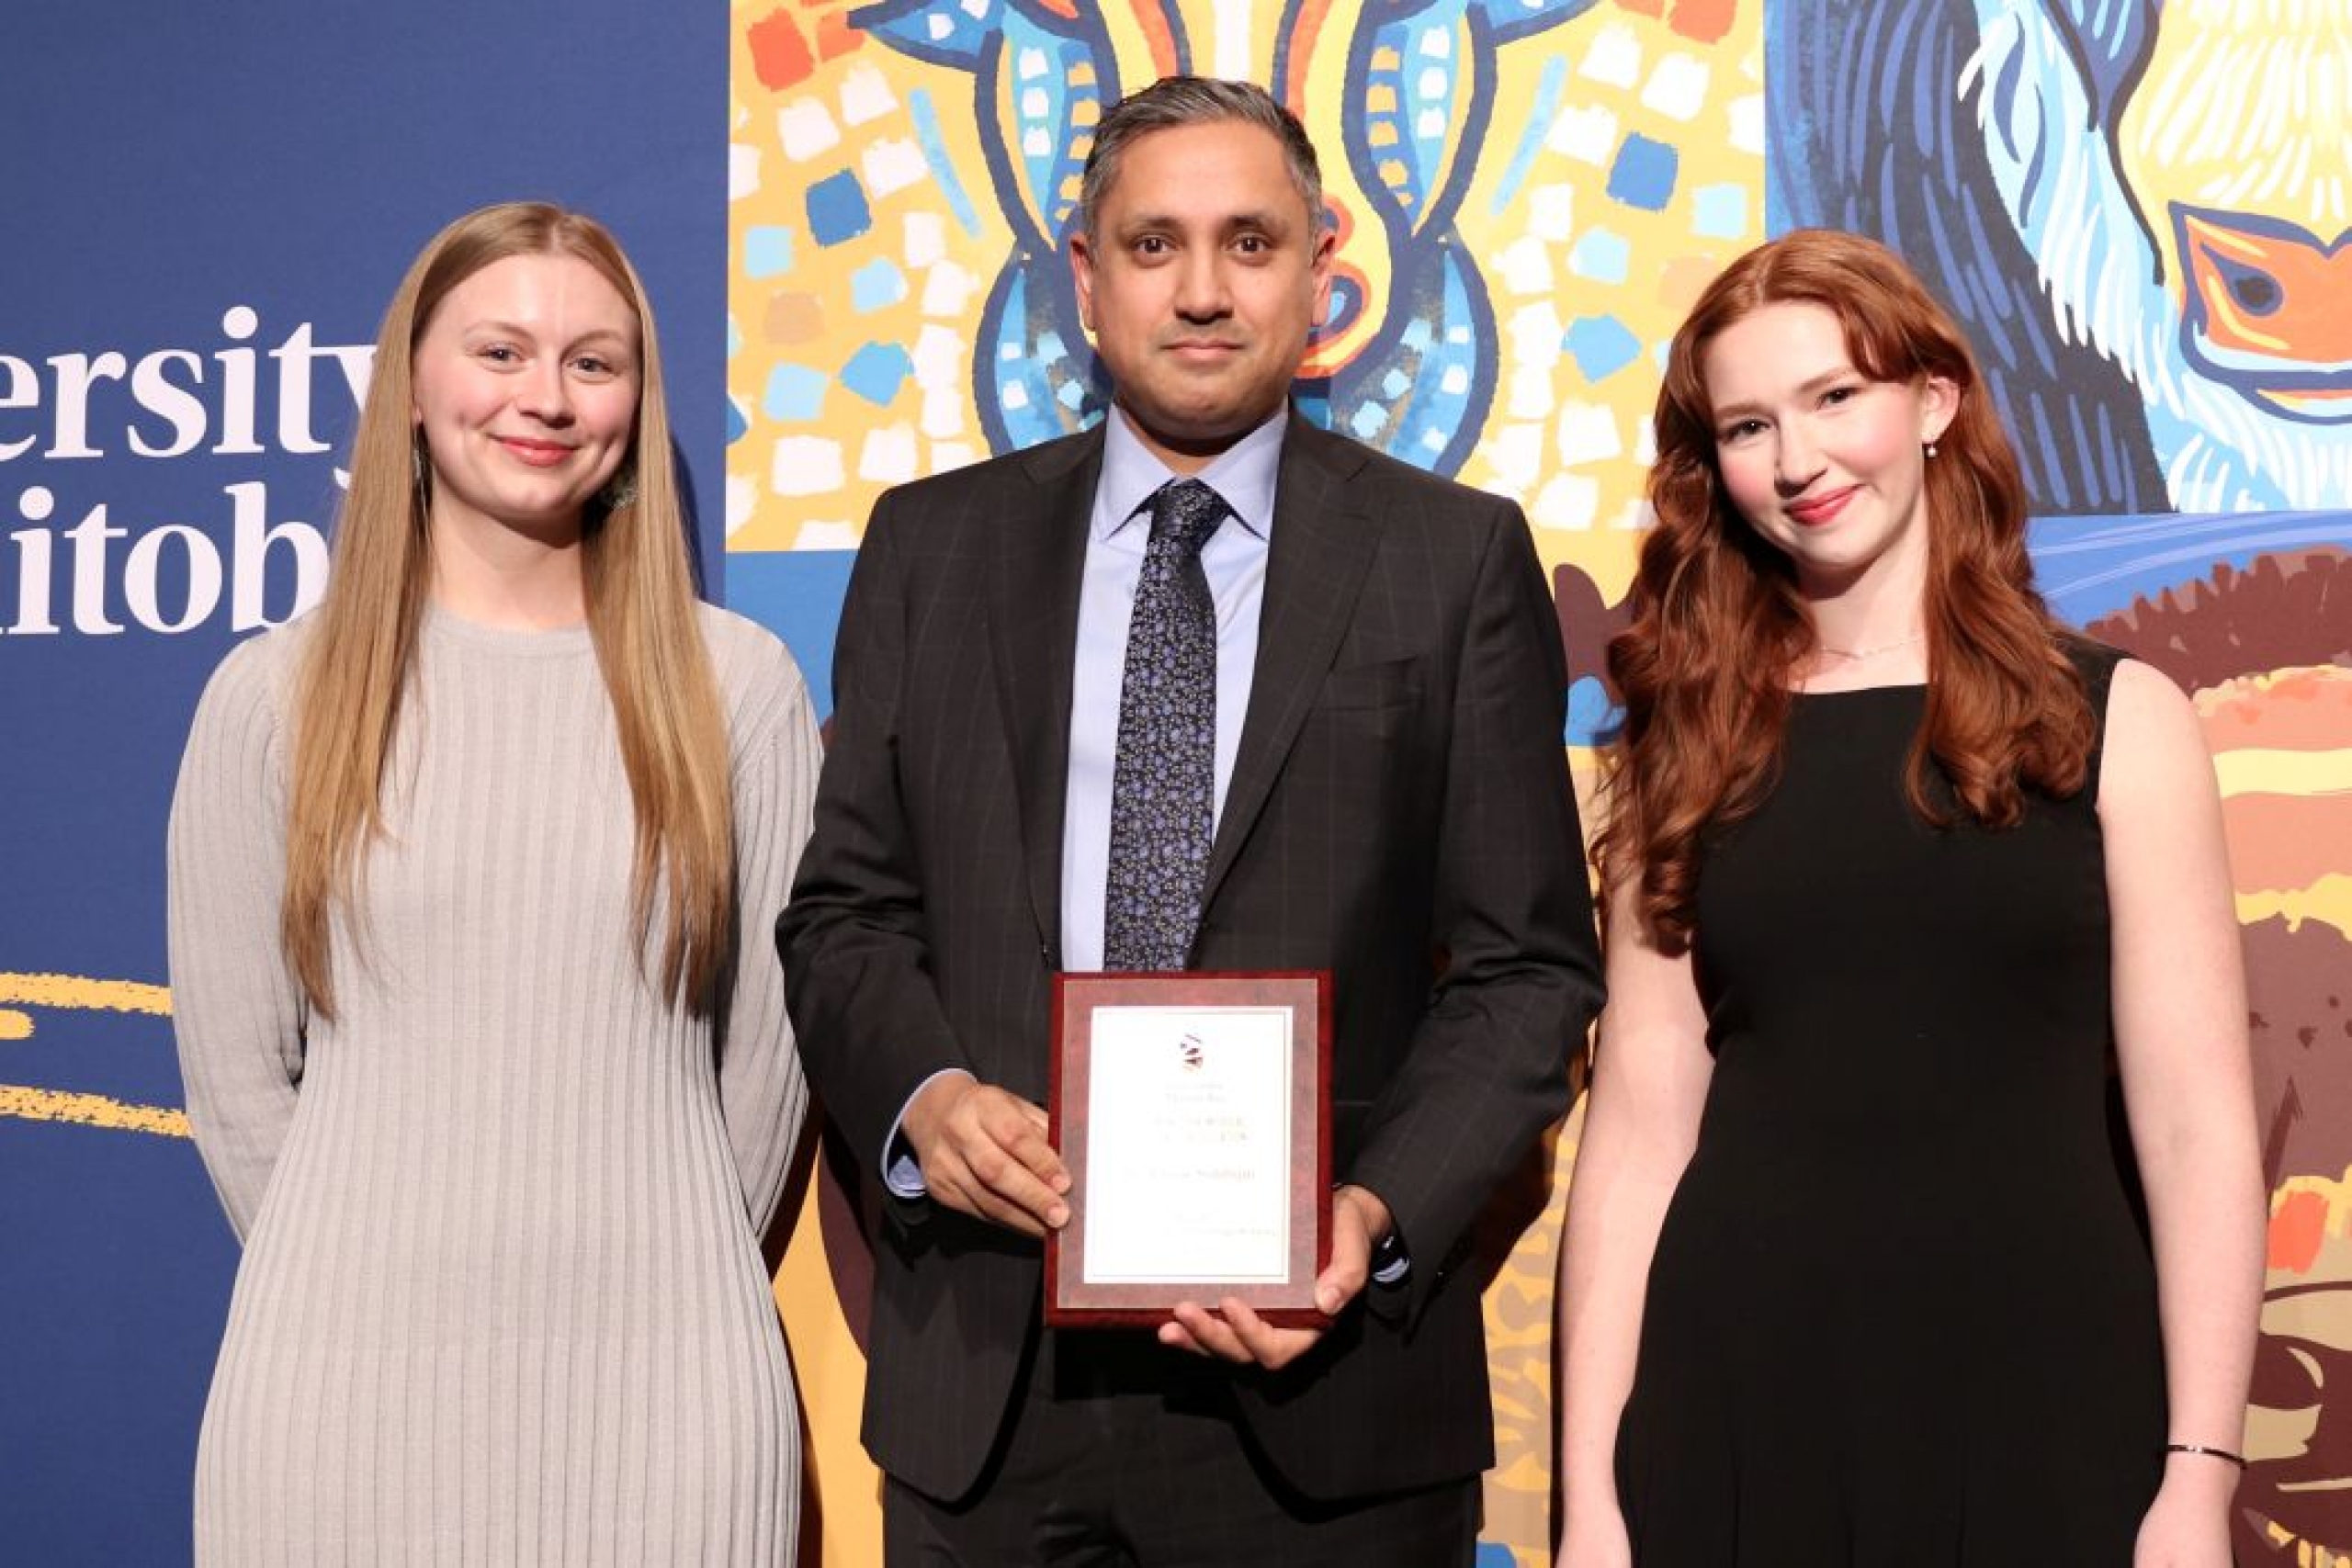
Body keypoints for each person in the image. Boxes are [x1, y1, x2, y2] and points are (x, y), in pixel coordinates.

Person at [779, 75, 1603, 1565]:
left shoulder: (1453, 559)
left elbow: (1527, 968)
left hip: (1326, 1387)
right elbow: (844, 915)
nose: (1205, 290)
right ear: (1086, 280)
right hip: (993, 1384)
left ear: (1322, 271)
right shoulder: (930, 547)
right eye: (1154, 245)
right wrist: (925, 1098)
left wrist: (1372, 1215)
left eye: (1250, 242)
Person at [1551, 228, 2264, 1566]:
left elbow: (2196, 1128)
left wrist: (2198, 1473)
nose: (1799, 460)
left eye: (1835, 397)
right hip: (1741, 1396)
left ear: (1934, 401)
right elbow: (1641, 1130)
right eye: (1749, 426)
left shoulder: (2119, 721)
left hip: (2050, 1396)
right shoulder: (1686, 741)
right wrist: (1590, 1501)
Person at [168, 201, 819, 1563]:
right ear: (411, 385)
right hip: (334, 1399)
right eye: (501, 351)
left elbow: (769, 1069)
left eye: (593, 362)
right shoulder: (274, 698)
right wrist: (354, 1283)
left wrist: (676, 1277)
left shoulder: (737, 689)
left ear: (636, 401)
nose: (548, 398)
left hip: (673, 1402)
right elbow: (235, 1082)